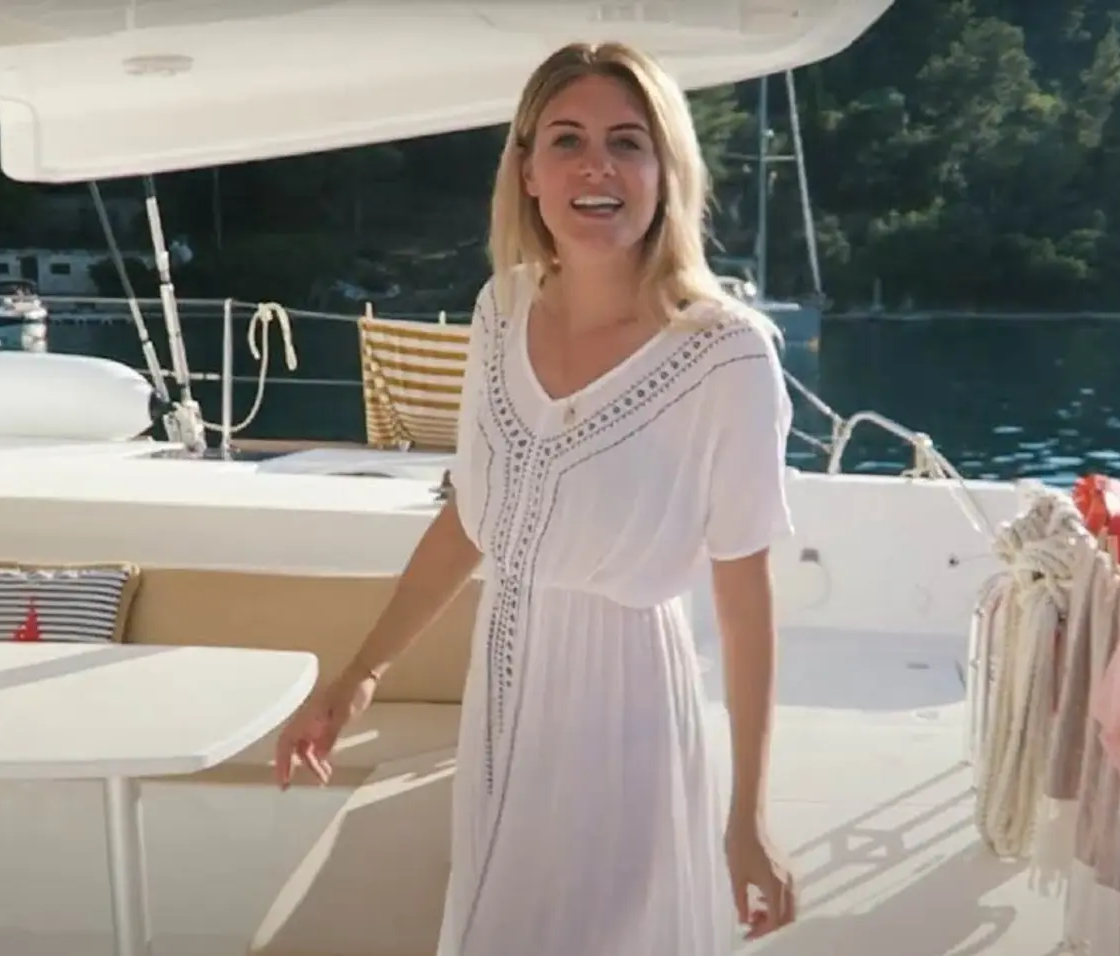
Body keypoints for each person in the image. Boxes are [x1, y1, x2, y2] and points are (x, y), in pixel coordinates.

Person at [273, 39, 798, 956]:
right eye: (567, 139)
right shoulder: (500, 308)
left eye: (628, 142)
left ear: (667, 169)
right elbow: (472, 521)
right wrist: (358, 676)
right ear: (525, 169)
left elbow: (744, 590)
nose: (597, 166)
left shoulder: (726, 353)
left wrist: (746, 816)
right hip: (505, 681)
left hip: (627, 700)